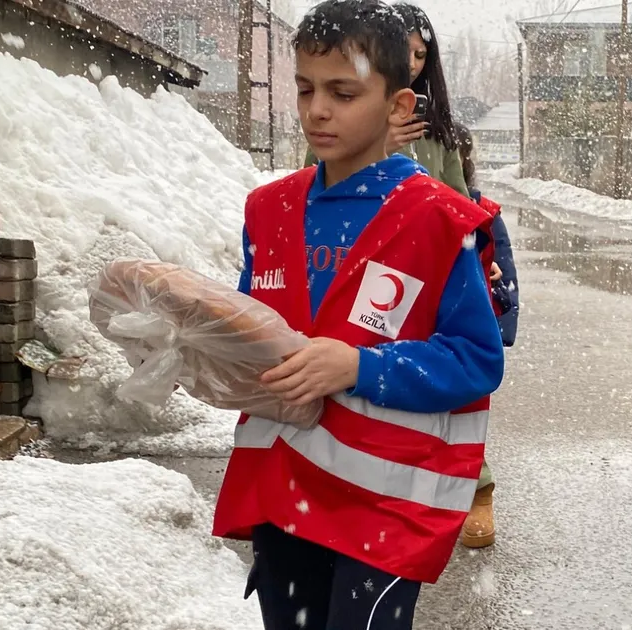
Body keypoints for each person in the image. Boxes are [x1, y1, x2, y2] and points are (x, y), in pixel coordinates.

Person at [214, 2, 504, 628]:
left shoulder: (435, 218)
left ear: (399, 106)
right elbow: (250, 331)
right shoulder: (269, 210)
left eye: (343, 93)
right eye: (305, 88)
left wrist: (358, 364)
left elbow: (476, 359)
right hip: (284, 485)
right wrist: (194, 342)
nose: (317, 110)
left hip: (386, 502)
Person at [303, 3, 469, 200]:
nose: (411, 63)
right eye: (404, 51)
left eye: (420, 55)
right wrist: (375, 150)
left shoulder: (438, 127)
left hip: (421, 229)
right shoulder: (343, 116)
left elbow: (460, 206)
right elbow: (310, 190)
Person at [454, 124, 520, 549]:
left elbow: (507, 279)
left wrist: (495, 323)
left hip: (463, 327)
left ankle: (479, 486)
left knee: (461, 409)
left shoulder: (484, 214)